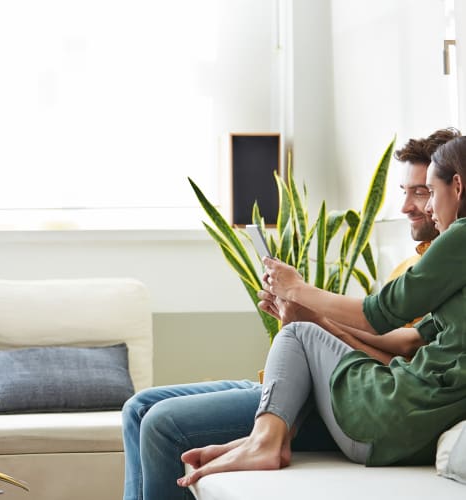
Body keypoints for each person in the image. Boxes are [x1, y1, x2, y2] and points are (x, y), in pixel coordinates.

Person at [121, 129, 458, 500]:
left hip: (360, 396)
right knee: (140, 406)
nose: (413, 206)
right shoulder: (422, 266)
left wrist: (301, 298)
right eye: (405, 192)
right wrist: (312, 320)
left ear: (456, 185)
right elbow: (404, 341)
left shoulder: (450, 253)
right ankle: (264, 434)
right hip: (329, 379)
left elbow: (380, 324)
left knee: (160, 424)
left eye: (424, 191)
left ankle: (264, 441)